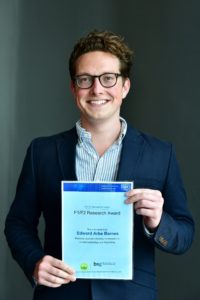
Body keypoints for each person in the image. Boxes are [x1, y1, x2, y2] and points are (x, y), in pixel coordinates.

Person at [5, 30, 194, 300]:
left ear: (125, 86)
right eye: (85, 79)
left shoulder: (160, 154)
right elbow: (17, 224)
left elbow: (184, 234)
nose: (97, 89)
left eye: (108, 78)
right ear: (73, 88)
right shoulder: (41, 152)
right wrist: (35, 262)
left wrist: (157, 223)